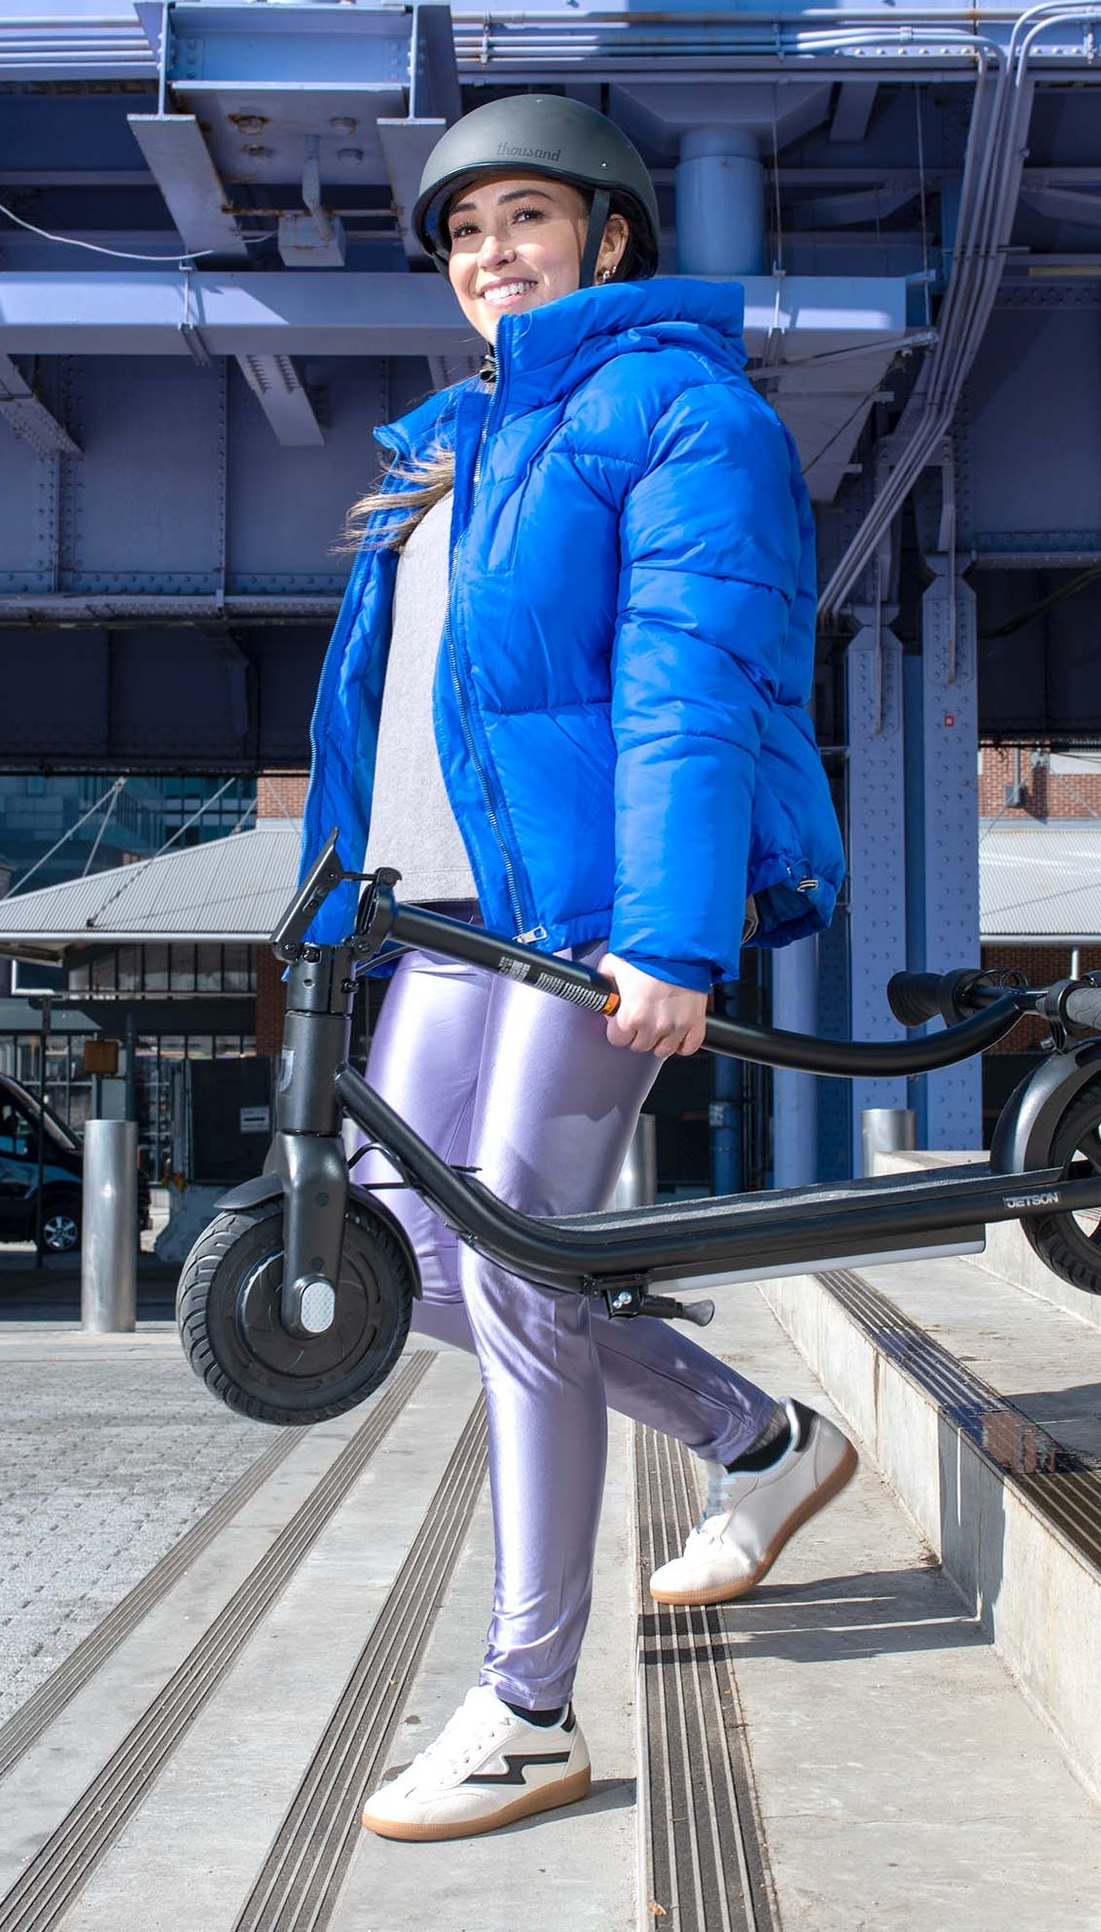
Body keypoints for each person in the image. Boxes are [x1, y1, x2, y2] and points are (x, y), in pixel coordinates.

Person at [294, 94, 853, 1844]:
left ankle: (528, 1703)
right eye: (462, 235)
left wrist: (673, 933)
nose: (487, 257)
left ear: (612, 236)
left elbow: (692, 667)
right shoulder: (457, 446)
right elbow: (384, 718)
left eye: (523, 219)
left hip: (589, 911)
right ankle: (757, 1439)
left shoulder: (685, 410)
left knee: (527, 1272)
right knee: (422, 1259)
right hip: (448, 910)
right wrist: (337, 908)